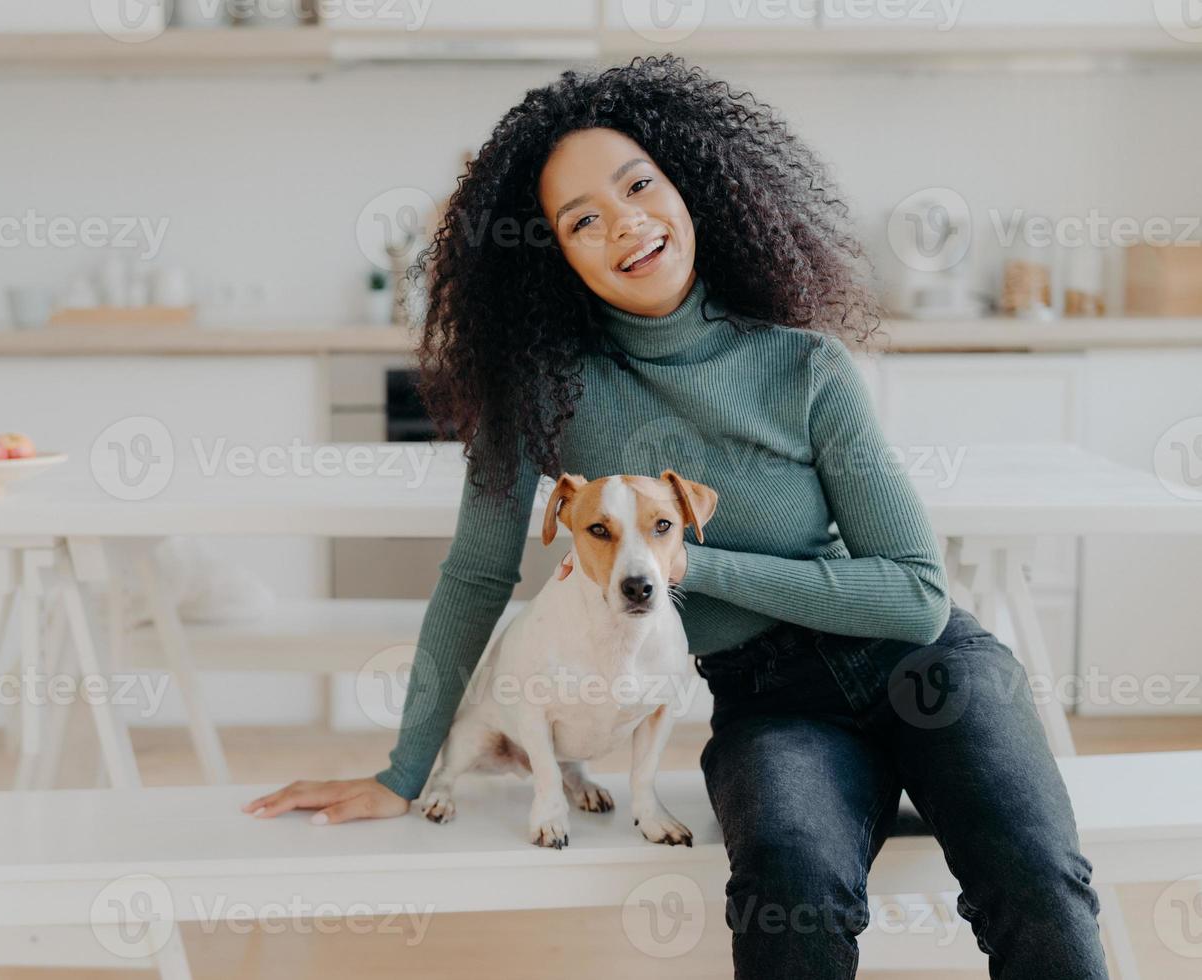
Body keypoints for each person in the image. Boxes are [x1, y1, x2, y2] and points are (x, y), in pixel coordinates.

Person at [244, 56, 1107, 977]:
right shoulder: (537, 396)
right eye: (582, 220)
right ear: (553, 257)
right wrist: (401, 773)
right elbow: (476, 576)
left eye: (638, 185)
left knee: (1037, 879)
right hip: (768, 707)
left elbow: (916, 597)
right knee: (789, 890)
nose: (625, 223)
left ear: (690, 188)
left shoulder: (803, 368)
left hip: (929, 675)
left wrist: (692, 564)